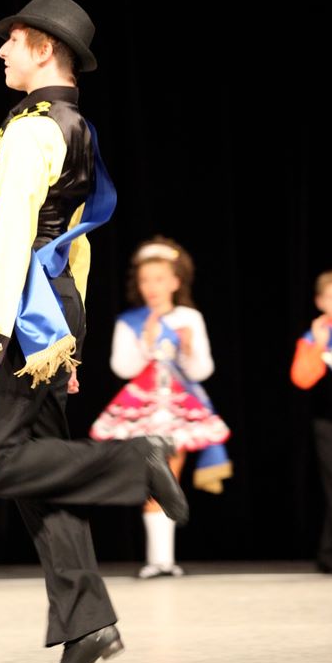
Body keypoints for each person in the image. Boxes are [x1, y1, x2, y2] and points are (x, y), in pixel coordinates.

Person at [0, 0, 189, 663]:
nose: (2, 50)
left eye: (14, 39)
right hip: (52, 312)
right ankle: (87, 622)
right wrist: (68, 339)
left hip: (21, 312)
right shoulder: (75, 125)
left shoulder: (31, 130)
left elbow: (12, 236)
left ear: (44, 48)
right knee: (40, 474)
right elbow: (74, 246)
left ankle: (136, 460)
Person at [89, 236, 232, 579]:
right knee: (151, 478)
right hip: (142, 406)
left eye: (159, 279)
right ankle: (158, 560)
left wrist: (188, 347)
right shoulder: (131, 320)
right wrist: (147, 341)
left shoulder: (189, 318)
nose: (151, 287)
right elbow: (122, 368)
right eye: (145, 280)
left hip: (178, 405)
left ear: (175, 282)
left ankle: (163, 560)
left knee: (169, 477)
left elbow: (202, 371)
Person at [290, 269, 332, 575]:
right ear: (320, 302)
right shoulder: (314, 337)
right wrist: (319, 345)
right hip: (331, 422)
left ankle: (330, 553)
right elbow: (302, 379)